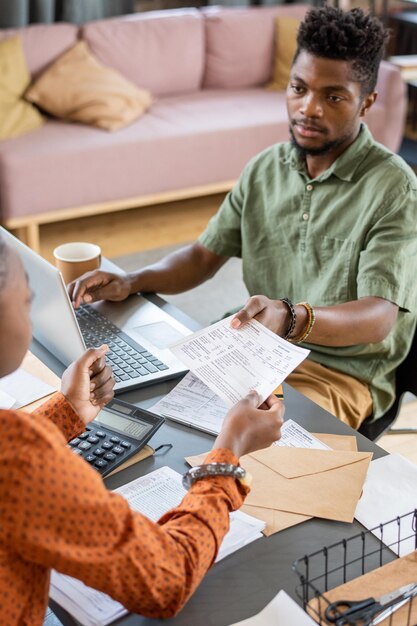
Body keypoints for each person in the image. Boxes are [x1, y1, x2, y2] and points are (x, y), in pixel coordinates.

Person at [68, 6, 417, 430]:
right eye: (299, 88)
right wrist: (132, 281)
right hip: (246, 349)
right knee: (140, 413)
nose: (309, 108)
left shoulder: (393, 188)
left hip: (338, 375)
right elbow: (201, 258)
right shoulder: (264, 168)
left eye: (334, 96)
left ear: (367, 103)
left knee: (265, 468)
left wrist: (290, 317)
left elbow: (379, 318)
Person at [0, 234, 284, 625]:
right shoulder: (18, 458)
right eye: (25, 297)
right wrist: (228, 455)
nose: (33, 302)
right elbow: (166, 578)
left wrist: (66, 412)